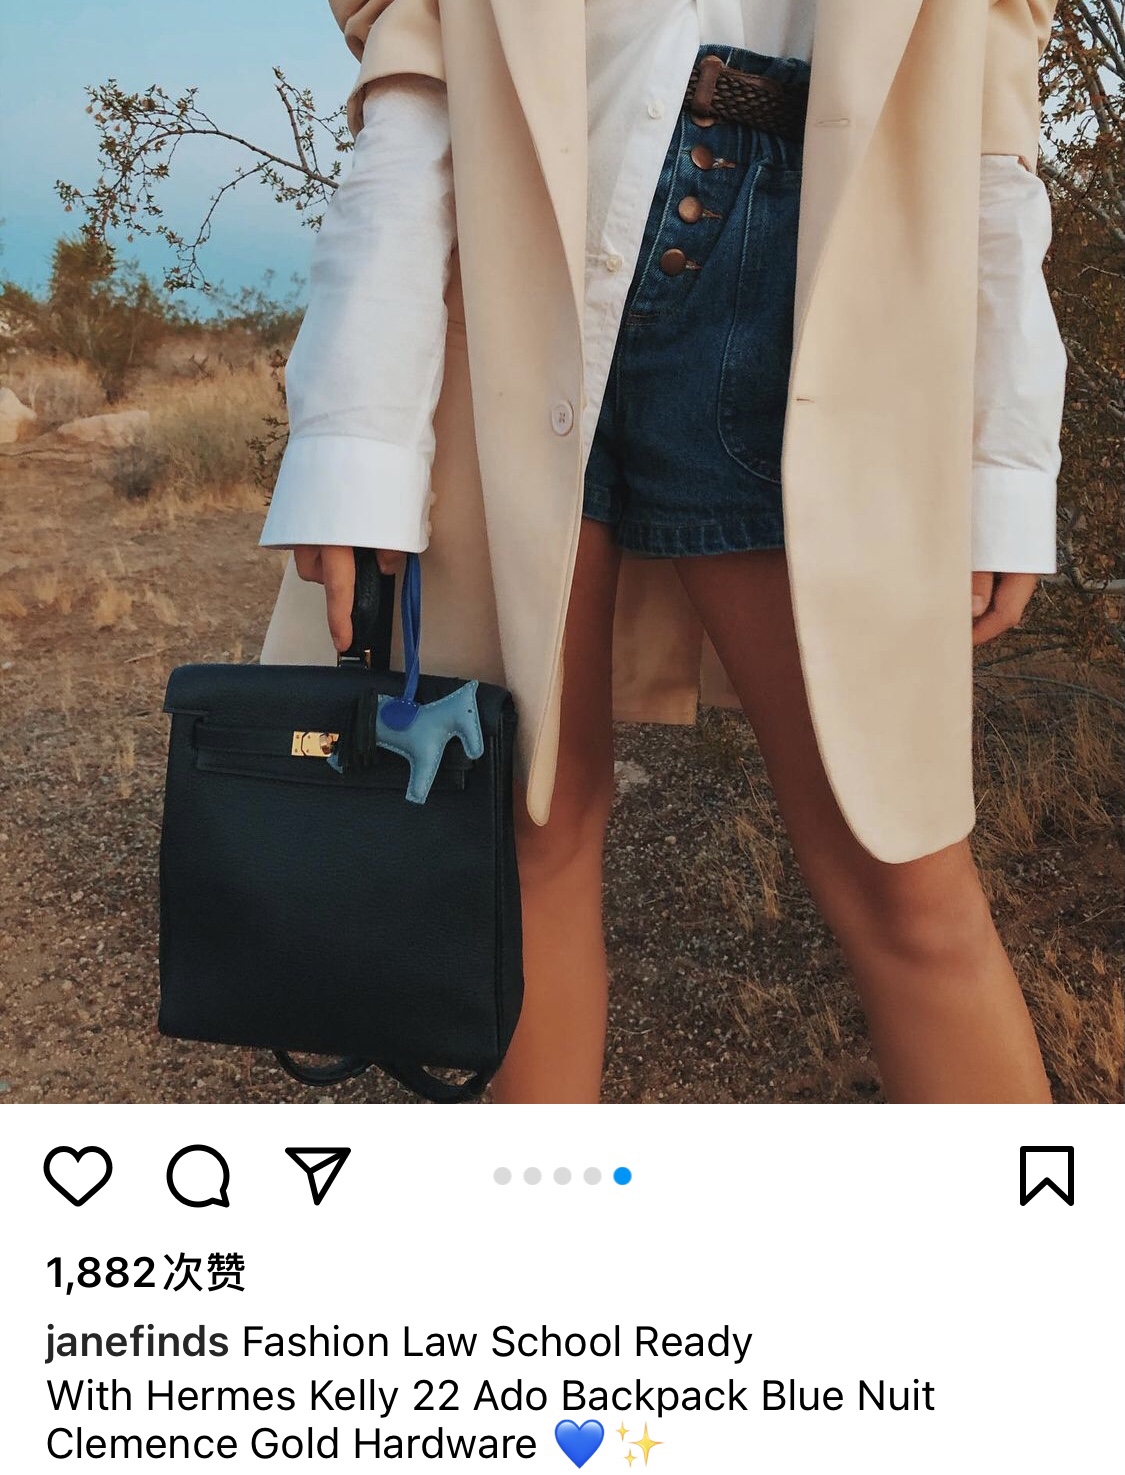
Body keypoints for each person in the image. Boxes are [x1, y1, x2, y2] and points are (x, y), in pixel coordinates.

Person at [259, 0, 1067, 1105]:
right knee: (525, 830)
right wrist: (354, 430)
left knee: (904, 867)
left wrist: (1003, 454)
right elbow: (417, 92)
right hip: (520, 267)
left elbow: (989, 139)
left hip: (821, 291)